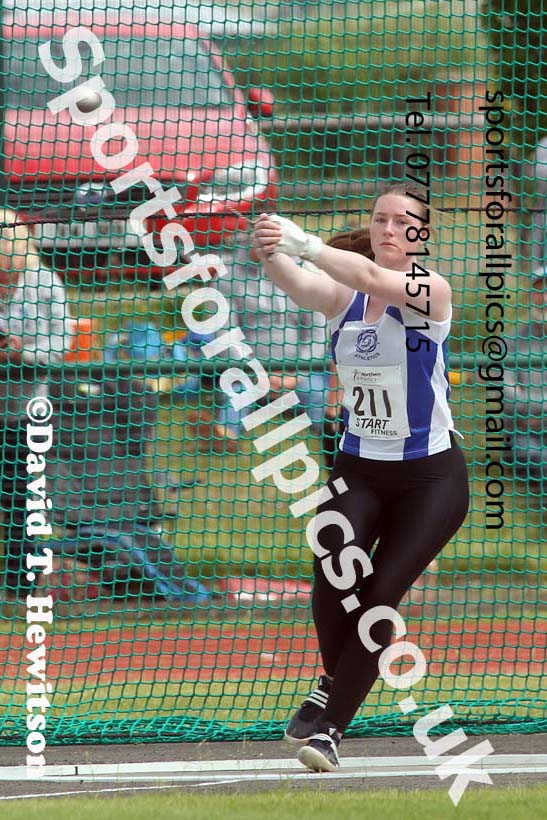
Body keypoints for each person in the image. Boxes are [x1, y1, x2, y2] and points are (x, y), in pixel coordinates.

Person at [251, 184, 470, 772]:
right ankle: (332, 677)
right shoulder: (345, 297)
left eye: (404, 221)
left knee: (378, 598)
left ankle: (330, 732)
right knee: (332, 568)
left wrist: (304, 241)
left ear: (422, 234)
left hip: (431, 479)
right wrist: (272, 249)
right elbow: (301, 285)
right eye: (380, 219)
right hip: (359, 469)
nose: (391, 228)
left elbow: (377, 282)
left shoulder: (431, 290)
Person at [0, 209, 74, 596]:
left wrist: (22, 353)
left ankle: (22, 585)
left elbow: (62, 342)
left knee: (23, 500)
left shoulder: (44, 282)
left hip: (28, 412)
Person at [503, 265, 547, 503]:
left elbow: (520, 400)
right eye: (540, 290)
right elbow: (507, 398)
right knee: (536, 457)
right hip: (525, 433)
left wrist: (533, 408)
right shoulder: (510, 341)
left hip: (531, 418)